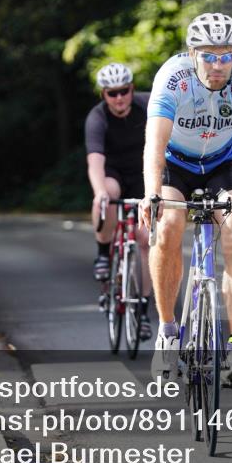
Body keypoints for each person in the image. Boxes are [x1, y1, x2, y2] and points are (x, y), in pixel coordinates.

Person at [139, 13, 232, 389]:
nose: (218, 65)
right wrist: (153, 192)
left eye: (226, 55)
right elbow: (155, 142)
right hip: (176, 164)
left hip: (223, 163)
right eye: (209, 56)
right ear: (192, 53)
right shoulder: (172, 77)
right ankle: (168, 333)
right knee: (167, 224)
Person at [84, 63, 153, 340]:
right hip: (113, 172)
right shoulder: (97, 118)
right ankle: (103, 253)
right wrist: (99, 191)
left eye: (124, 91)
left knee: (146, 240)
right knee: (107, 194)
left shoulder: (148, 105)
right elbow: (94, 163)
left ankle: (144, 312)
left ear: (132, 89)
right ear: (104, 95)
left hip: (143, 173)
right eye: (112, 94)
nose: (119, 98)